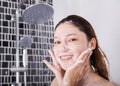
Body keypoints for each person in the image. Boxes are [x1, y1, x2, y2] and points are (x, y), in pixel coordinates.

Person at [43, 15, 118, 86]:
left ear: (91, 44)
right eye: (57, 42)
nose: (62, 48)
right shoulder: (57, 82)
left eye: (72, 39)